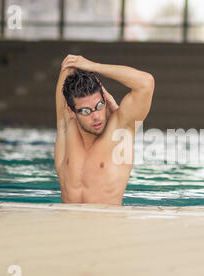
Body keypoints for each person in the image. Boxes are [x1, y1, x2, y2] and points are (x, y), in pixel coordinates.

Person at [54, 55, 155, 204]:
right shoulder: (66, 127)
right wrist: (82, 69)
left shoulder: (120, 132)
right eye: (86, 111)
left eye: (99, 106)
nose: (96, 116)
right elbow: (69, 65)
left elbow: (146, 82)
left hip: (106, 225)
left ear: (105, 100)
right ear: (71, 111)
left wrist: (93, 66)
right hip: (68, 223)